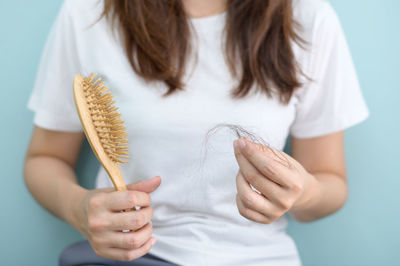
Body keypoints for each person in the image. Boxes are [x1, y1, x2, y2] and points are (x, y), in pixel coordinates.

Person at [24, 0, 369, 265]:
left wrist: (303, 193)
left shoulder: (307, 16)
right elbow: (45, 158)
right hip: (131, 257)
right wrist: (78, 209)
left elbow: (330, 181)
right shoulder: (90, 12)